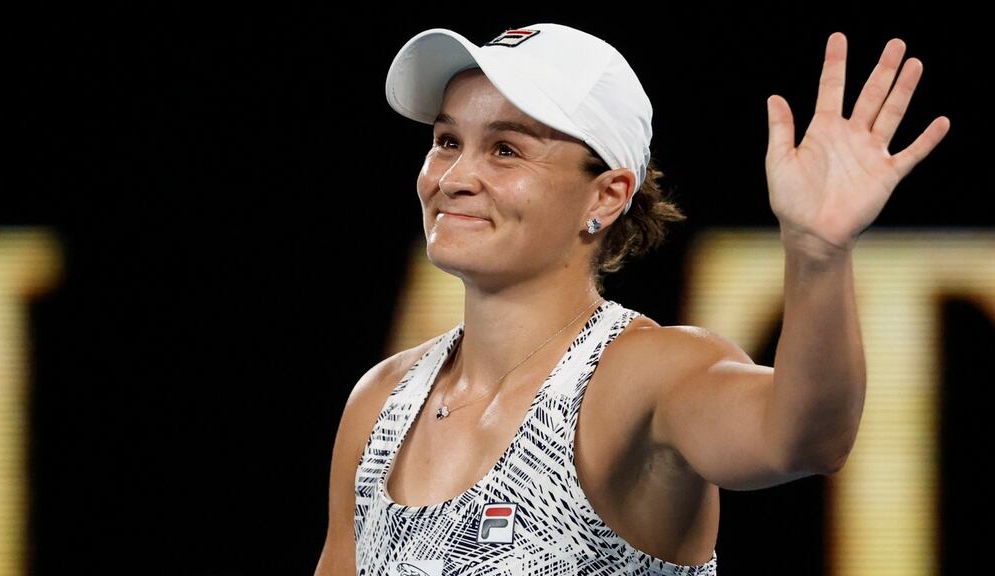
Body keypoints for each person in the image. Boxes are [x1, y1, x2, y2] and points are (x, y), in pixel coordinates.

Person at [314, 22, 950, 576]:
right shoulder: (381, 399)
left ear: (607, 196)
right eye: (448, 141)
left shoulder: (646, 375)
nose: (453, 178)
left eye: (505, 150)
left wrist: (817, 252)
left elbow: (807, 439)